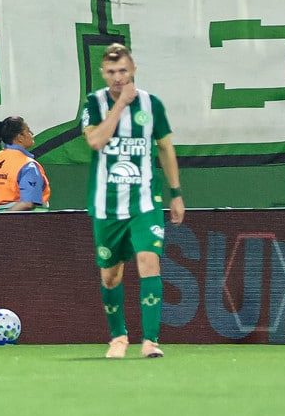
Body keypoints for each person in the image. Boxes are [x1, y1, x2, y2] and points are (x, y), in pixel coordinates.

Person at [81, 43, 185, 360]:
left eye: (123, 71)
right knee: (111, 275)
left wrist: (176, 193)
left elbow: (166, 149)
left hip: (144, 201)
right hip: (106, 205)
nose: (117, 77)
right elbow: (97, 140)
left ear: (134, 69)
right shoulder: (93, 104)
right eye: (111, 72)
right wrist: (121, 106)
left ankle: (150, 340)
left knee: (148, 261)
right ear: (103, 73)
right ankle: (118, 337)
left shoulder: (152, 105)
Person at [0, 116, 47, 212]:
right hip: (30, 221)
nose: (32, 134)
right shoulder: (28, 165)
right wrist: (5, 221)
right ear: (20, 137)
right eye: (28, 131)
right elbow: (27, 203)